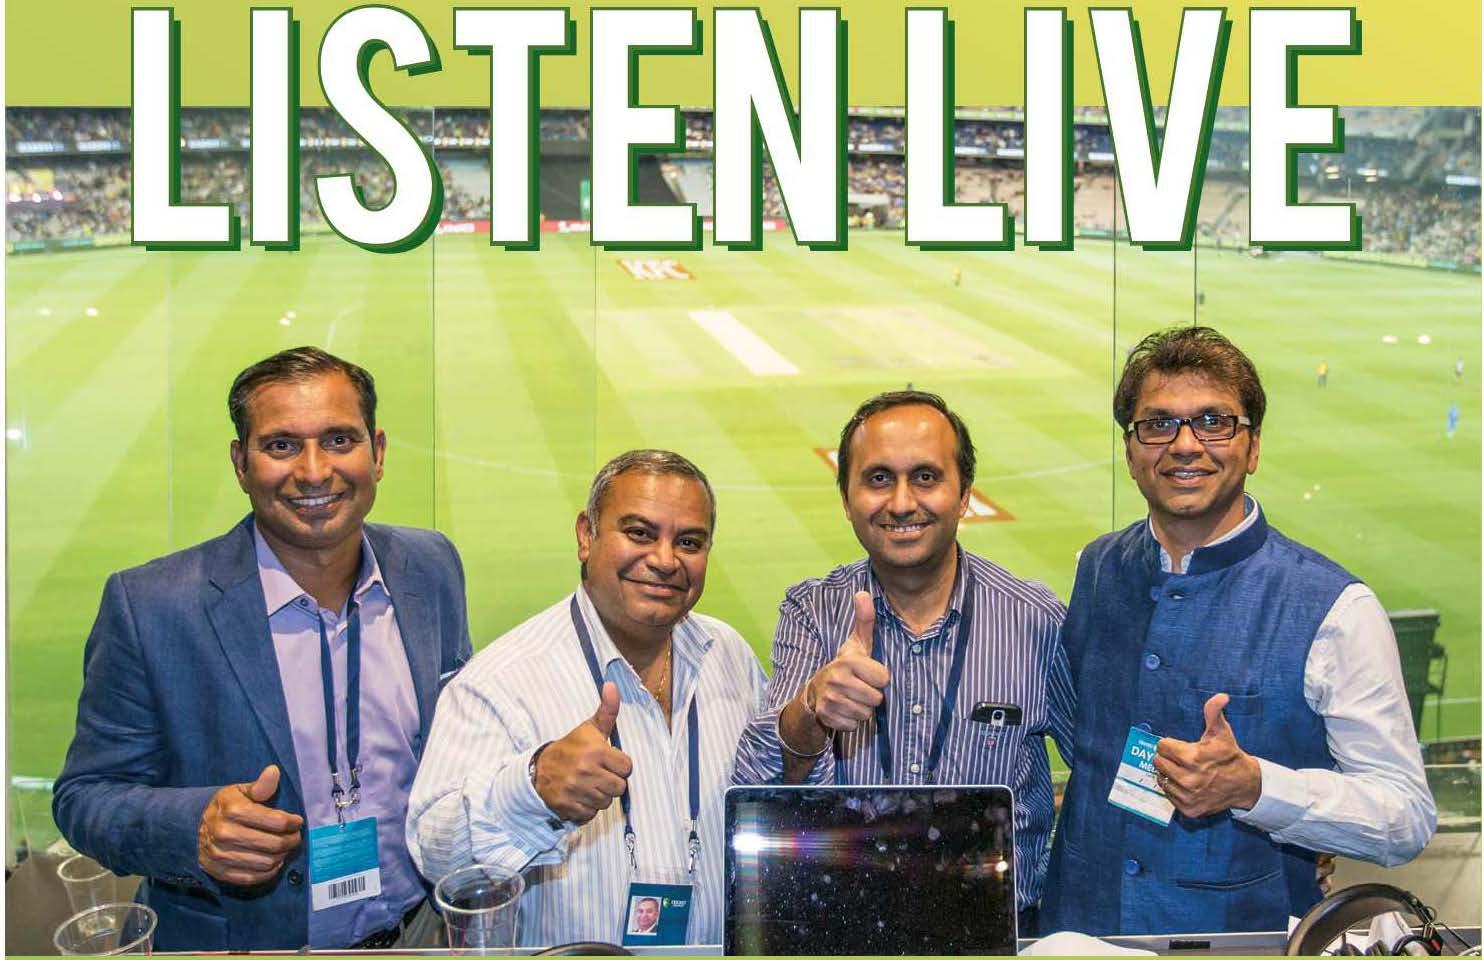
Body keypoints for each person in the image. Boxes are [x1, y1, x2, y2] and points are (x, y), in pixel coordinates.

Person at [52, 347, 472, 951]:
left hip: (420, 928)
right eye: (281, 445)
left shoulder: (430, 566)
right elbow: (86, 796)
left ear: (377, 453)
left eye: (339, 440)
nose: (314, 471)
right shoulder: (151, 606)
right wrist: (194, 829)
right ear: (240, 463)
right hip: (249, 944)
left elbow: (457, 737)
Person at [1041, 326, 1435, 936]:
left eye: (1213, 422)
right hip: (1081, 929)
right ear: (1131, 450)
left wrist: (1256, 787)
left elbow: (1405, 817)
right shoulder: (1096, 568)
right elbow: (1086, 740)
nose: (1185, 444)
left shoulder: (1335, 608)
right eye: (1158, 424)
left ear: (1252, 449)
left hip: (1243, 939)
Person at [732, 390, 1074, 934]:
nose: (900, 502)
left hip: (996, 935)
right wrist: (811, 710)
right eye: (878, 478)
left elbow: (1099, 770)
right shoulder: (812, 613)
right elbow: (763, 787)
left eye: (925, 477)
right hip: (844, 930)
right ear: (846, 498)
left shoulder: (1035, 620)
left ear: (965, 494)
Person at [406, 450, 767, 947]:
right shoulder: (500, 682)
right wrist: (532, 788)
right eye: (639, 533)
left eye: (689, 542)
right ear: (585, 535)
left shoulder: (728, 655)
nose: (665, 560)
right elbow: (434, 854)